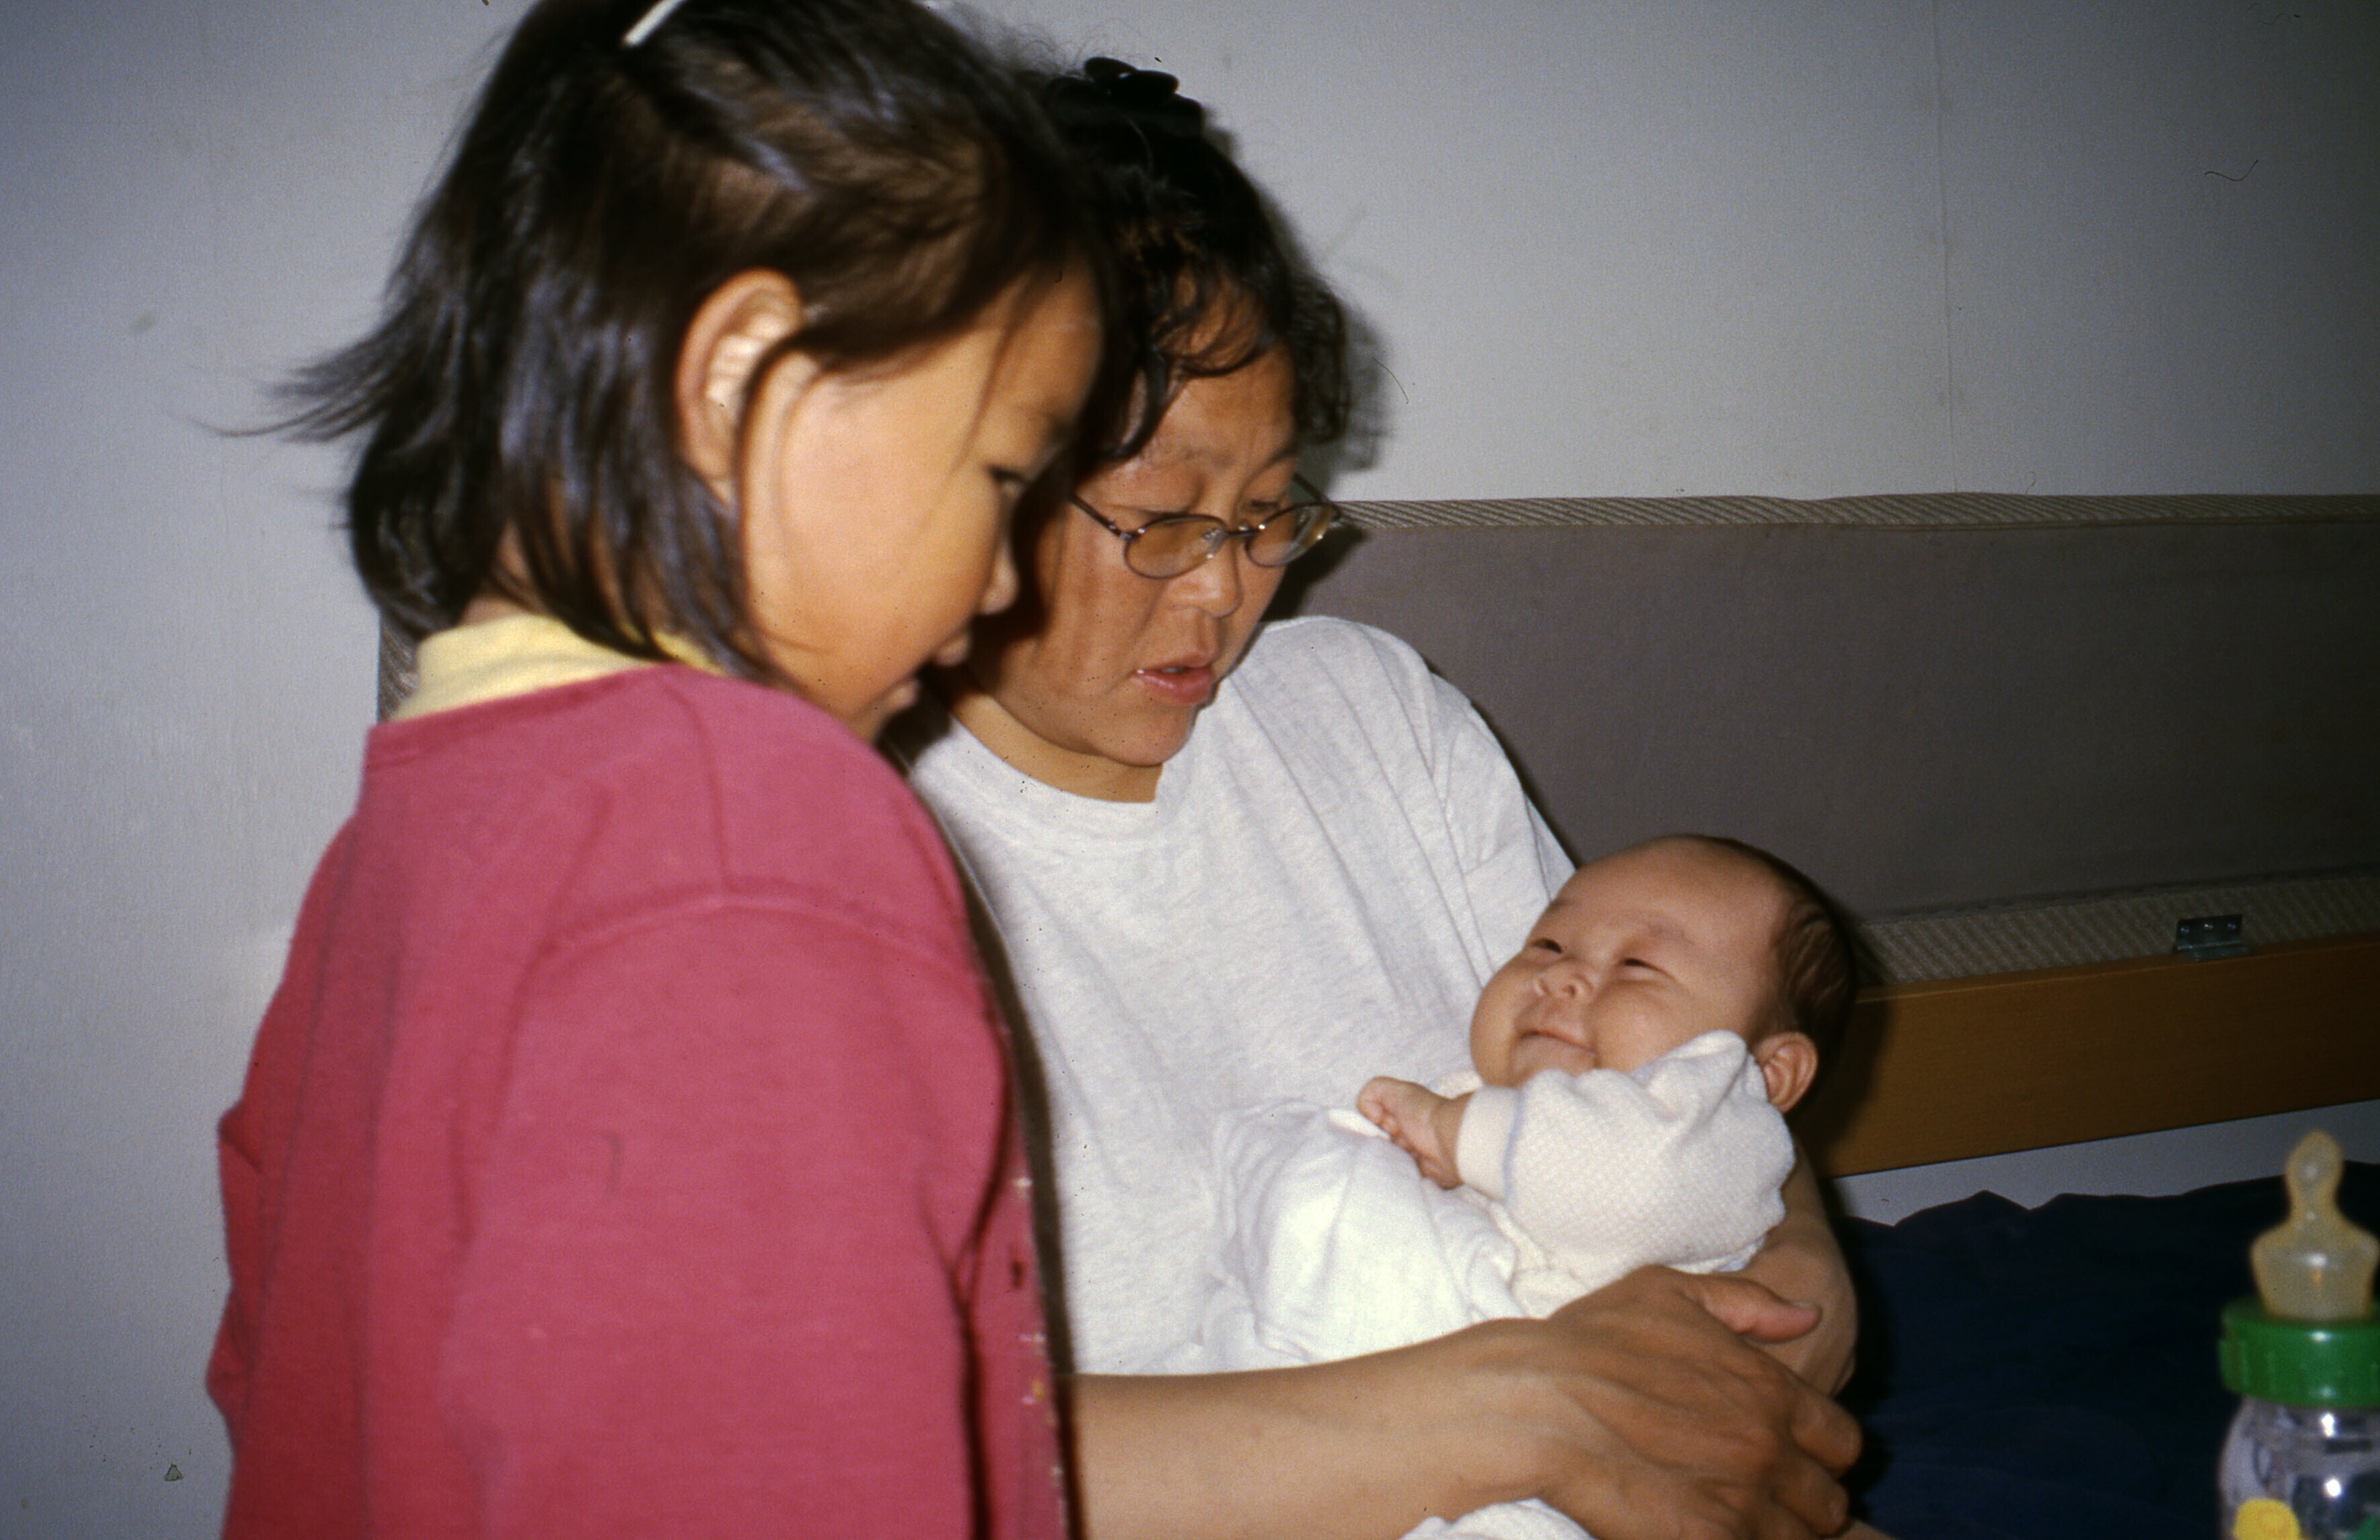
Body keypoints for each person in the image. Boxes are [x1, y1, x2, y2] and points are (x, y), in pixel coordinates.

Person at [900, 59, 1862, 1540]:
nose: (1222, 594)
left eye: (1266, 514)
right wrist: (1525, 1402)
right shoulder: (846, 845)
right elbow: (870, 1454)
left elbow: (1696, 1111)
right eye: (1156, 521)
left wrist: (1792, 1293)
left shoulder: (1369, 712)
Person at [208, 2, 1102, 1534]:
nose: (1008, 581)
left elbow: (287, 1392)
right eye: (1004, 474)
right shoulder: (749, 833)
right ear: (739, 378)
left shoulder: (406, 836)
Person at [1180, 836, 1856, 1540]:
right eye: (1546, 945)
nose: (1560, 977)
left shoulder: (1714, 1134)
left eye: (1637, 965)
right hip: (1368, 1437)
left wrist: (1449, 1130)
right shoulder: (1488, 1103)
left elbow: (1629, 1184)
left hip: (1572, 1485)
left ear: (1765, 1076)